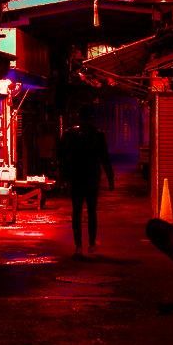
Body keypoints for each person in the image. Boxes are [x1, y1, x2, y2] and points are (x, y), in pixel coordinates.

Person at [58, 104, 114, 257]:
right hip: (91, 178)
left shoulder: (70, 134)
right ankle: (91, 244)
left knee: (76, 212)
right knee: (91, 212)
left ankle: (78, 247)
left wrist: (62, 177)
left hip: (77, 178)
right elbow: (105, 158)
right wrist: (110, 179)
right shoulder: (97, 135)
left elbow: (62, 157)